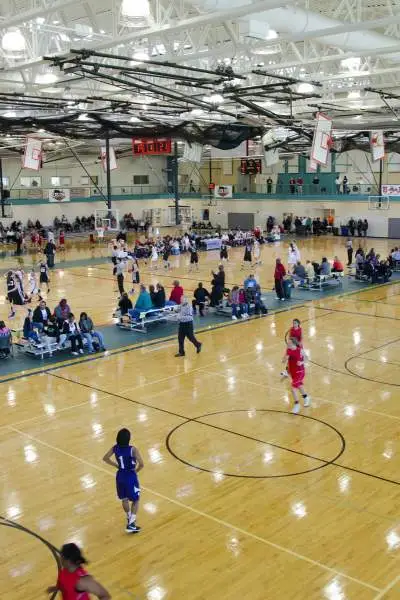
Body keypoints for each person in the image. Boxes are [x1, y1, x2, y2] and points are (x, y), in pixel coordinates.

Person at [102, 427, 143, 534]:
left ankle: (129, 517)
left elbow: (105, 458)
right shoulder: (133, 449)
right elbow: (141, 464)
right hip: (130, 476)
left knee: (124, 499)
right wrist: (136, 471)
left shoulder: (115, 448)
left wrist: (116, 465)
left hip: (120, 475)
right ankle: (131, 524)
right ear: (129, 439)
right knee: (136, 500)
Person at [46, 543, 111, 599]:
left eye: (61, 557)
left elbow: (105, 596)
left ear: (67, 561)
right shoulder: (66, 569)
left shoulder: (82, 581)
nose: (60, 559)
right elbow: (65, 584)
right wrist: (56, 588)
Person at [282, 336, 311, 414]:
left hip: (300, 371)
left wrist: (301, 362)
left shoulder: (300, 350)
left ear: (294, 343)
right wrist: (285, 356)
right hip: (292, 372)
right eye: (288, 343)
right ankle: (306, 397)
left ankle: (297, 404)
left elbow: (307, 358)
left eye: (289, 343)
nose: (288, 344)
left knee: (293, 387)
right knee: (299, 385)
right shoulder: (288, 351)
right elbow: (283, 361)